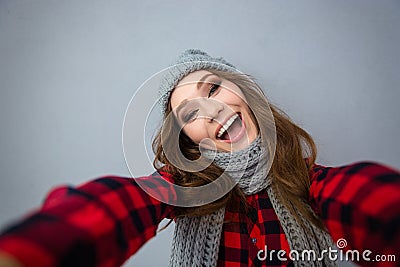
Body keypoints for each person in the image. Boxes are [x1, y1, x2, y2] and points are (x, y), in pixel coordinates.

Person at [0, 49, 399, 267]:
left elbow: (370, 201)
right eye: (190, 114)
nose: (209, 111)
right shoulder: (182, 189)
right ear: (188, 139)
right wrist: (36, 249)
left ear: (246, 94)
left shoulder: (311, 183)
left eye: (213, 89)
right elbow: (120, 204)